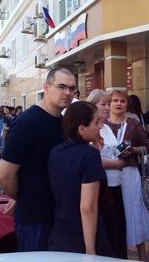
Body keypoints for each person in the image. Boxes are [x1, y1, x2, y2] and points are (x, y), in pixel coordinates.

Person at [0, 67, 76, 251]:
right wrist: (23, 197)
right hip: (35, 219)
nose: (67, 93)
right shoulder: (27, 123)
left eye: (72, 89)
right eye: (62, 86)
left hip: (58, 214)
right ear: (46, 87)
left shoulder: (63, 122)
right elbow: (4, 176)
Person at [47, 101, 112, 256]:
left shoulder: (55, 152)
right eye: (96, 122)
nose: (101, 126)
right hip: (82, 239)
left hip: (60, 235)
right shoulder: (90, 156)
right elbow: (87, 207)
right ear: (81, 129)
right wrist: (90, 250)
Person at [105, 90, 149, 261]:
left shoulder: (133, 124)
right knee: (113, 215)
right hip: (108, 175)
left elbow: (147, 147)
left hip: (129, 173)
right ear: (109, 103)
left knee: (134, 213)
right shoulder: (102, 124)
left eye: (122, 101)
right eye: (115, 101)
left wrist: (133, 150)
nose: (119, 104)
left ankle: (142, 257)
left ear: (127, 104)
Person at [87, 89, 128, 259]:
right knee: (109, 231)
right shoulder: (92, 128)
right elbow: (92, 157)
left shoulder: (107, 127)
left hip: (117, 184)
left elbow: (112, 149)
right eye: (102, 104)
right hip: (104, 186)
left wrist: (123, 151)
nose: (107, 107)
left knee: (119, 231)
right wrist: (117, 164)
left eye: (107, 103)